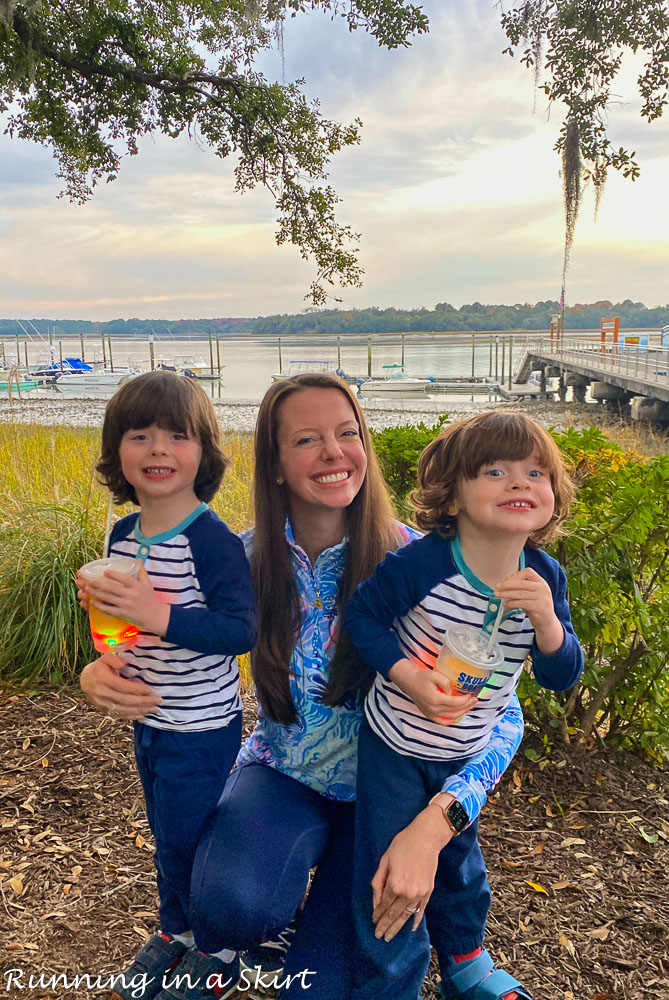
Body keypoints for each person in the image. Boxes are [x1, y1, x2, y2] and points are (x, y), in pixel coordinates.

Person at [81, 376, 524, 1000]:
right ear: (277, 464)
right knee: (228, 904)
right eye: (307, 439)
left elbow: (502, 717)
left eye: (348, 434)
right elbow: (152, 634)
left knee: (319, 991)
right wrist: (98, 667)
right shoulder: (239, 559)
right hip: (283, 774)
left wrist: (437, 823)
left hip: (387, 799)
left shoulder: (425, 566)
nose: (334, 453)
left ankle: (367, 936)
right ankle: (254, 928)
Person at [344, 410, 584, 1000]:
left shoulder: (544, 579)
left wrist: (548, 623)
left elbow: (561, 674)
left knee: (460, 870)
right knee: (386, 872)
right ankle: (389, 980)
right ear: (451, 497)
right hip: (396, 744)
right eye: (495, 472)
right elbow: (363, 618)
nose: (520, 484)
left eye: (535, 473)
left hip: (467, 749)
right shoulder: (423, 565)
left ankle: (465, 963)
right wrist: (408, 678)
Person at [77, 371, 257, 1000]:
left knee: (191, 837)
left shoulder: (211, 540)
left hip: (202, 725)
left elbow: (240, 630)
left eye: (177, 436)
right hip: (151, 720)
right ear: (116, 453)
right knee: (165, 832)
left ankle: (218, 949)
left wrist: (160, 616)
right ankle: (175, 930)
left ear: (203, 452)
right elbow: (118, 628)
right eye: (139, 435)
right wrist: (107, 650)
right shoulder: (122, 537)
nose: (158, 449)